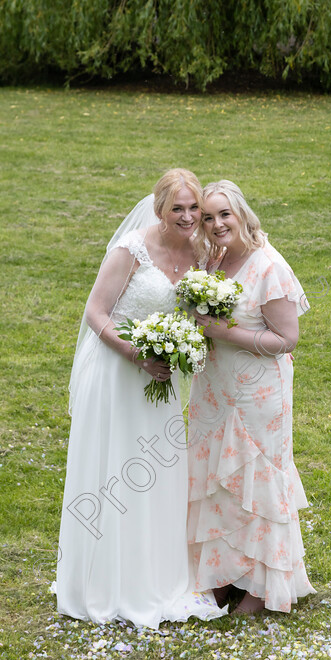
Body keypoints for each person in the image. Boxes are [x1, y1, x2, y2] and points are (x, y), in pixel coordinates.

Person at [56, 169, 225, 628]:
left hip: (162, 378)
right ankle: (104, 581)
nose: (189, 217)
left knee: (157, 475)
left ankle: (156, 576)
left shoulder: (201, 252)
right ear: (159, 210)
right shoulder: (131, 249)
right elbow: (96, 312)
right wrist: (136, 354)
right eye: (178, 209)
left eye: (194, 207)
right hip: (116, 372)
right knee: (113, 471)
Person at [188, 180, 316, 615]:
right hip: (215, 389)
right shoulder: (213, 260)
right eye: (208, 217)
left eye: (224, 214)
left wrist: (226, 334)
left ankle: (263, 587)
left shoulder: (268, 265)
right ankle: (221, 575)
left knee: (258, 482)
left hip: (258, 392)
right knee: (215, 479)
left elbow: (287, 338)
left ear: (242, 214)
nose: (217, 223)